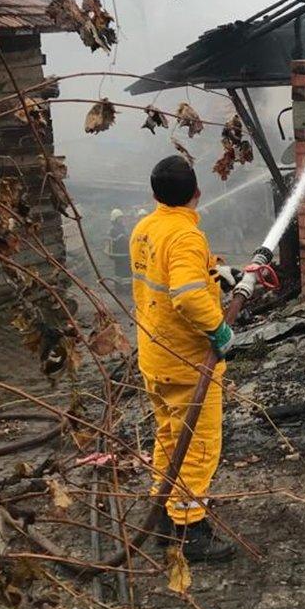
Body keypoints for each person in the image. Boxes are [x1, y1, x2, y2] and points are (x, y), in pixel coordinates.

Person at [130, 156, 240, 562]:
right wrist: (218, 329)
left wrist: (220, 273)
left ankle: (164, 514)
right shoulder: (186, 237)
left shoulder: (147, 228)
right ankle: (189, 530)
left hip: (155, 357)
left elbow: (181, 275)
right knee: (199, 445)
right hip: (187, 363)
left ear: (155, 194)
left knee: (169, 438)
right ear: (197, 193)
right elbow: (188, 294)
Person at [108, 208, 130, 288]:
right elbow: (123, 240)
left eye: (121, 217)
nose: (121, 219)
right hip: (120, 254)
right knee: (123, 272)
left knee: (122, 272)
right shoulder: (114, 230)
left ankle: (121, 287)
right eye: (119, 218)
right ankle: (123, 287)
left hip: (123, 254)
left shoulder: (122, 227)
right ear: (115, 219)